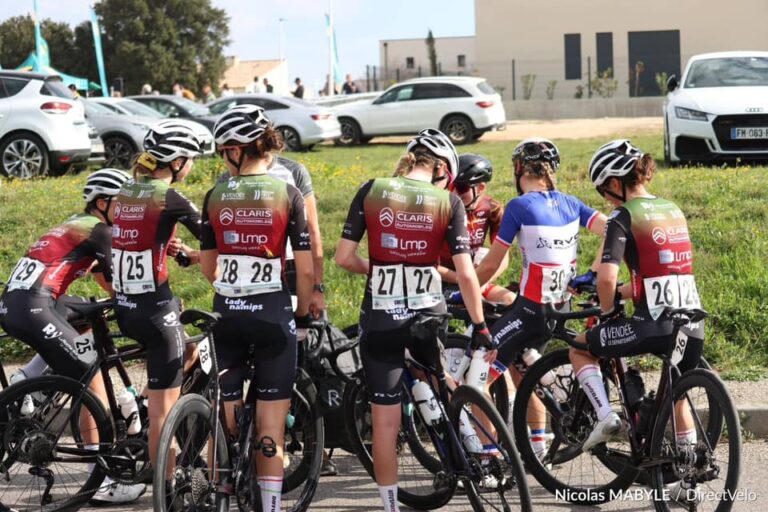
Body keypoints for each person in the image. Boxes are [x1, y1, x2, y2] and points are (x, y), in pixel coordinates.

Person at [335, 129, 493, 512]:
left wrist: (380, 268)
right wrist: (481, 326)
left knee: (386, 427)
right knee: (441, 376)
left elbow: (342, 257)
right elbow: (467, 273)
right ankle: (474, 448)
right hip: (426, 318)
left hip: (380, 320)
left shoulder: (372, 189)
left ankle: (391, 506)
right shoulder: (446, 202)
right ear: (440, 167)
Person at [0, 168, 147, 504]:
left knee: (85, 313)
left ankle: (27, 381)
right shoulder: (101, 231)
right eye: (120, 204)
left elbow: (101, 279)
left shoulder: (73, 224)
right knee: (91, 382)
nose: (124, 211)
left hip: (16, 305)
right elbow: (122, 283)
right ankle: (106, 482)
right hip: (37, 308)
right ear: (101, 203)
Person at [569, 140, 705, 501]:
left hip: (654, 327)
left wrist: (609, 310)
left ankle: (605, 418)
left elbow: (607, 278)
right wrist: (619, 296)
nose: (606, 199)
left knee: (581, 349)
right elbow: (652, 281)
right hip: (692, 327)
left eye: (604, 190)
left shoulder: (623, 216)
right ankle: (686, 485)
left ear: (615, 183)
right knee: (676, 398)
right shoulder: (672, 209)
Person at [200, 105, 313, 512]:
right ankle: (269, 506)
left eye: (221, 152)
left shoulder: (214, 194)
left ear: (234, 150)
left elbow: (209, 267)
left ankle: (218, 491)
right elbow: (303, 269)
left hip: (225, 315)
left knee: (223, 417)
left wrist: (232, 289)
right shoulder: (288, 194)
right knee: (270, 427)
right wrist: (301, 317)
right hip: (272, 316)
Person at [473, 138, 607, 459]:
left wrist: (464, 289)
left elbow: (491, 264)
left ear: (520, 169)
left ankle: (490, 460)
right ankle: (538, 451)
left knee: (477, 379)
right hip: (561, 308)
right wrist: (592, 270)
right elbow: (617, 228)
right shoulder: (572, 203)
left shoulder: (519, 206)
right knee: (525, 375)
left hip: (530, 312)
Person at [111, 121, 203, 488]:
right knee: (164, 414)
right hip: (156, 311)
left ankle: (143, 408)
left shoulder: (126, 189)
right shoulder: (170, 197)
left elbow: (141, 240)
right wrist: (198, 256)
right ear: (178, 161)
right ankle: (168, 490)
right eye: (192, 159)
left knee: (187, 356)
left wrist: (172, 248)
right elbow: (211, 234)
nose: (193, 165)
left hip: (126, 308)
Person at [438, 153, 513, 305]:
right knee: (477, 302)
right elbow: (426, 261)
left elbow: (503, 259)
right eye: (451, 186)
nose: (454, 193)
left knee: (509, 300)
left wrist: (483, 279)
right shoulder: (440, 208)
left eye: (461, 188)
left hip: (474, 277)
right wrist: (462, 278)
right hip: (442, 279)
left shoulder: (493, 209)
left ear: (481, 187)